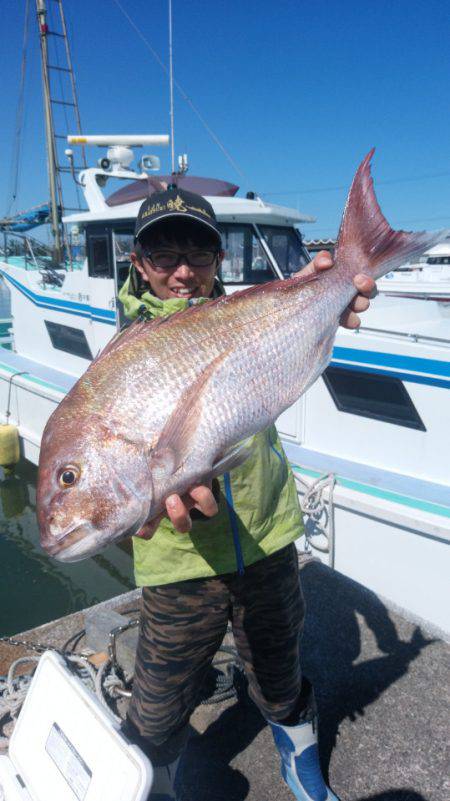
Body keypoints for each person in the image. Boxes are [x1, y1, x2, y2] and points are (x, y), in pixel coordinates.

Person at [118, 187, 375, 801]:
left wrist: (326, 292)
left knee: (280, 671)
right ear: (138, 261)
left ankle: (297, 747)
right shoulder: (131, 350)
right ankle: (150, 779)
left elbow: (287, 344)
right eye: (164, 253)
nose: (184, 270)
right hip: (179, 561)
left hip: (267, 535)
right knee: (159, 699)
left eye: (202, 252)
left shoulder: (245, 311)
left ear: (219, 258)